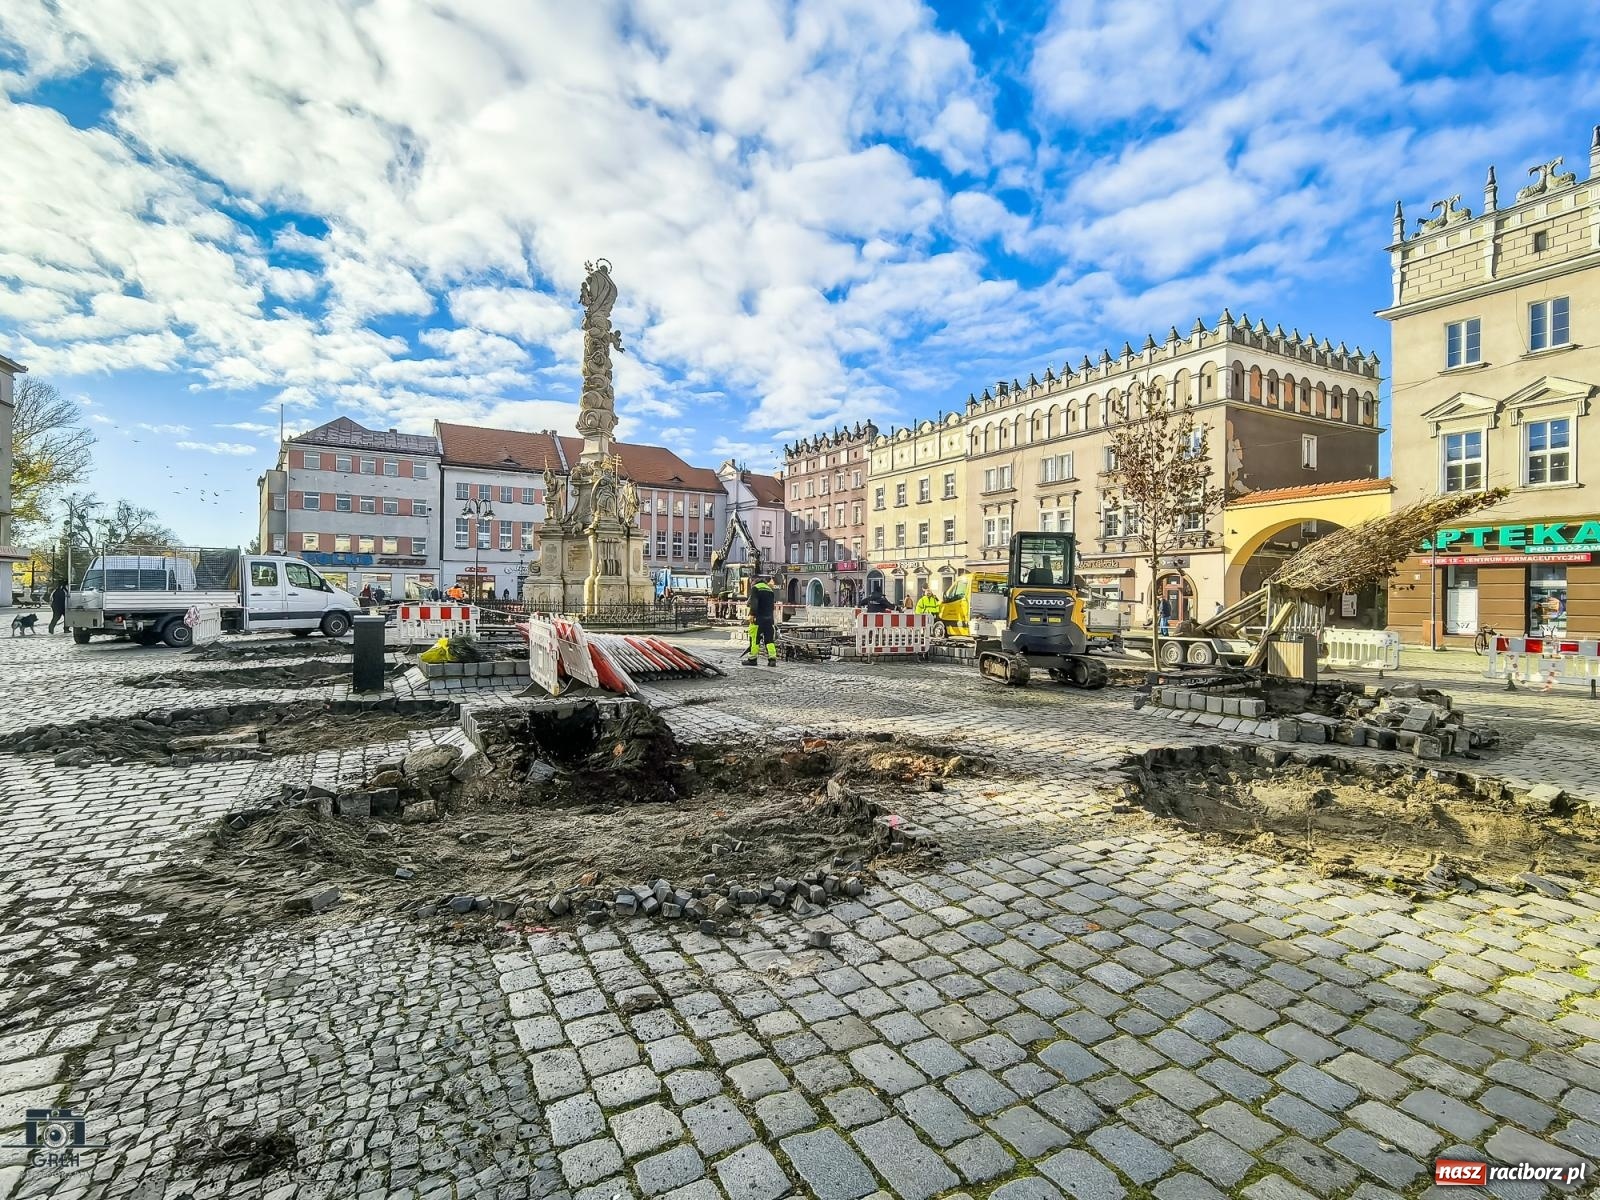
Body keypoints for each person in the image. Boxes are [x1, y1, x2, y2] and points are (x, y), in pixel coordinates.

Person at [743, 573, 779, 667]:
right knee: (769, 640)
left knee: (754, 639)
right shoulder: (769, 590)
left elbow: (754, 603)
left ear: (753, 582)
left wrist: (752, 614)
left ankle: (752, 659)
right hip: (769, 619)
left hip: (758, 619)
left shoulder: (756, 588)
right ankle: (772, 659)